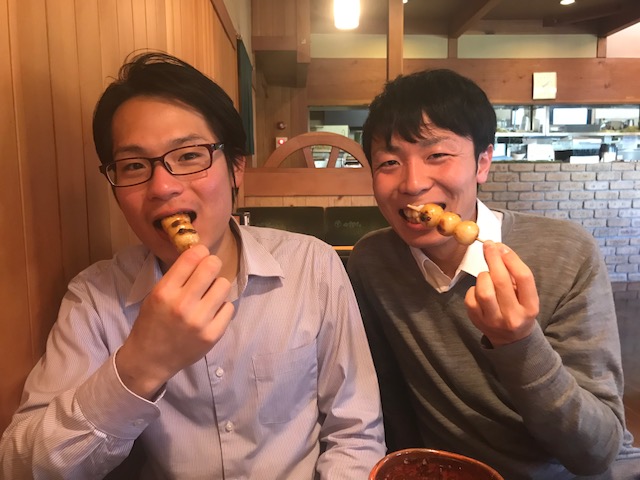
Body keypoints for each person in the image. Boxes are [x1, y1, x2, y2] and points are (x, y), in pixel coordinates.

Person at [0, 51, 385, 479]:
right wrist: (140, 366)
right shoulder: (96, 296)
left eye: (188, 156)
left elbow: (356, 433)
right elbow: (21, 465)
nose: (163, 186)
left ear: (236, 168)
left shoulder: (312, 266)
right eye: (133, 166)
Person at [347, 68, 640, 480]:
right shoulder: (373, 262)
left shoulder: (565, 252)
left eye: (437, 155)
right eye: (389, 162)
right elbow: (390, 401)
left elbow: (597, 451)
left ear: (482, 162)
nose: (412, 184)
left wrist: (518, 343)